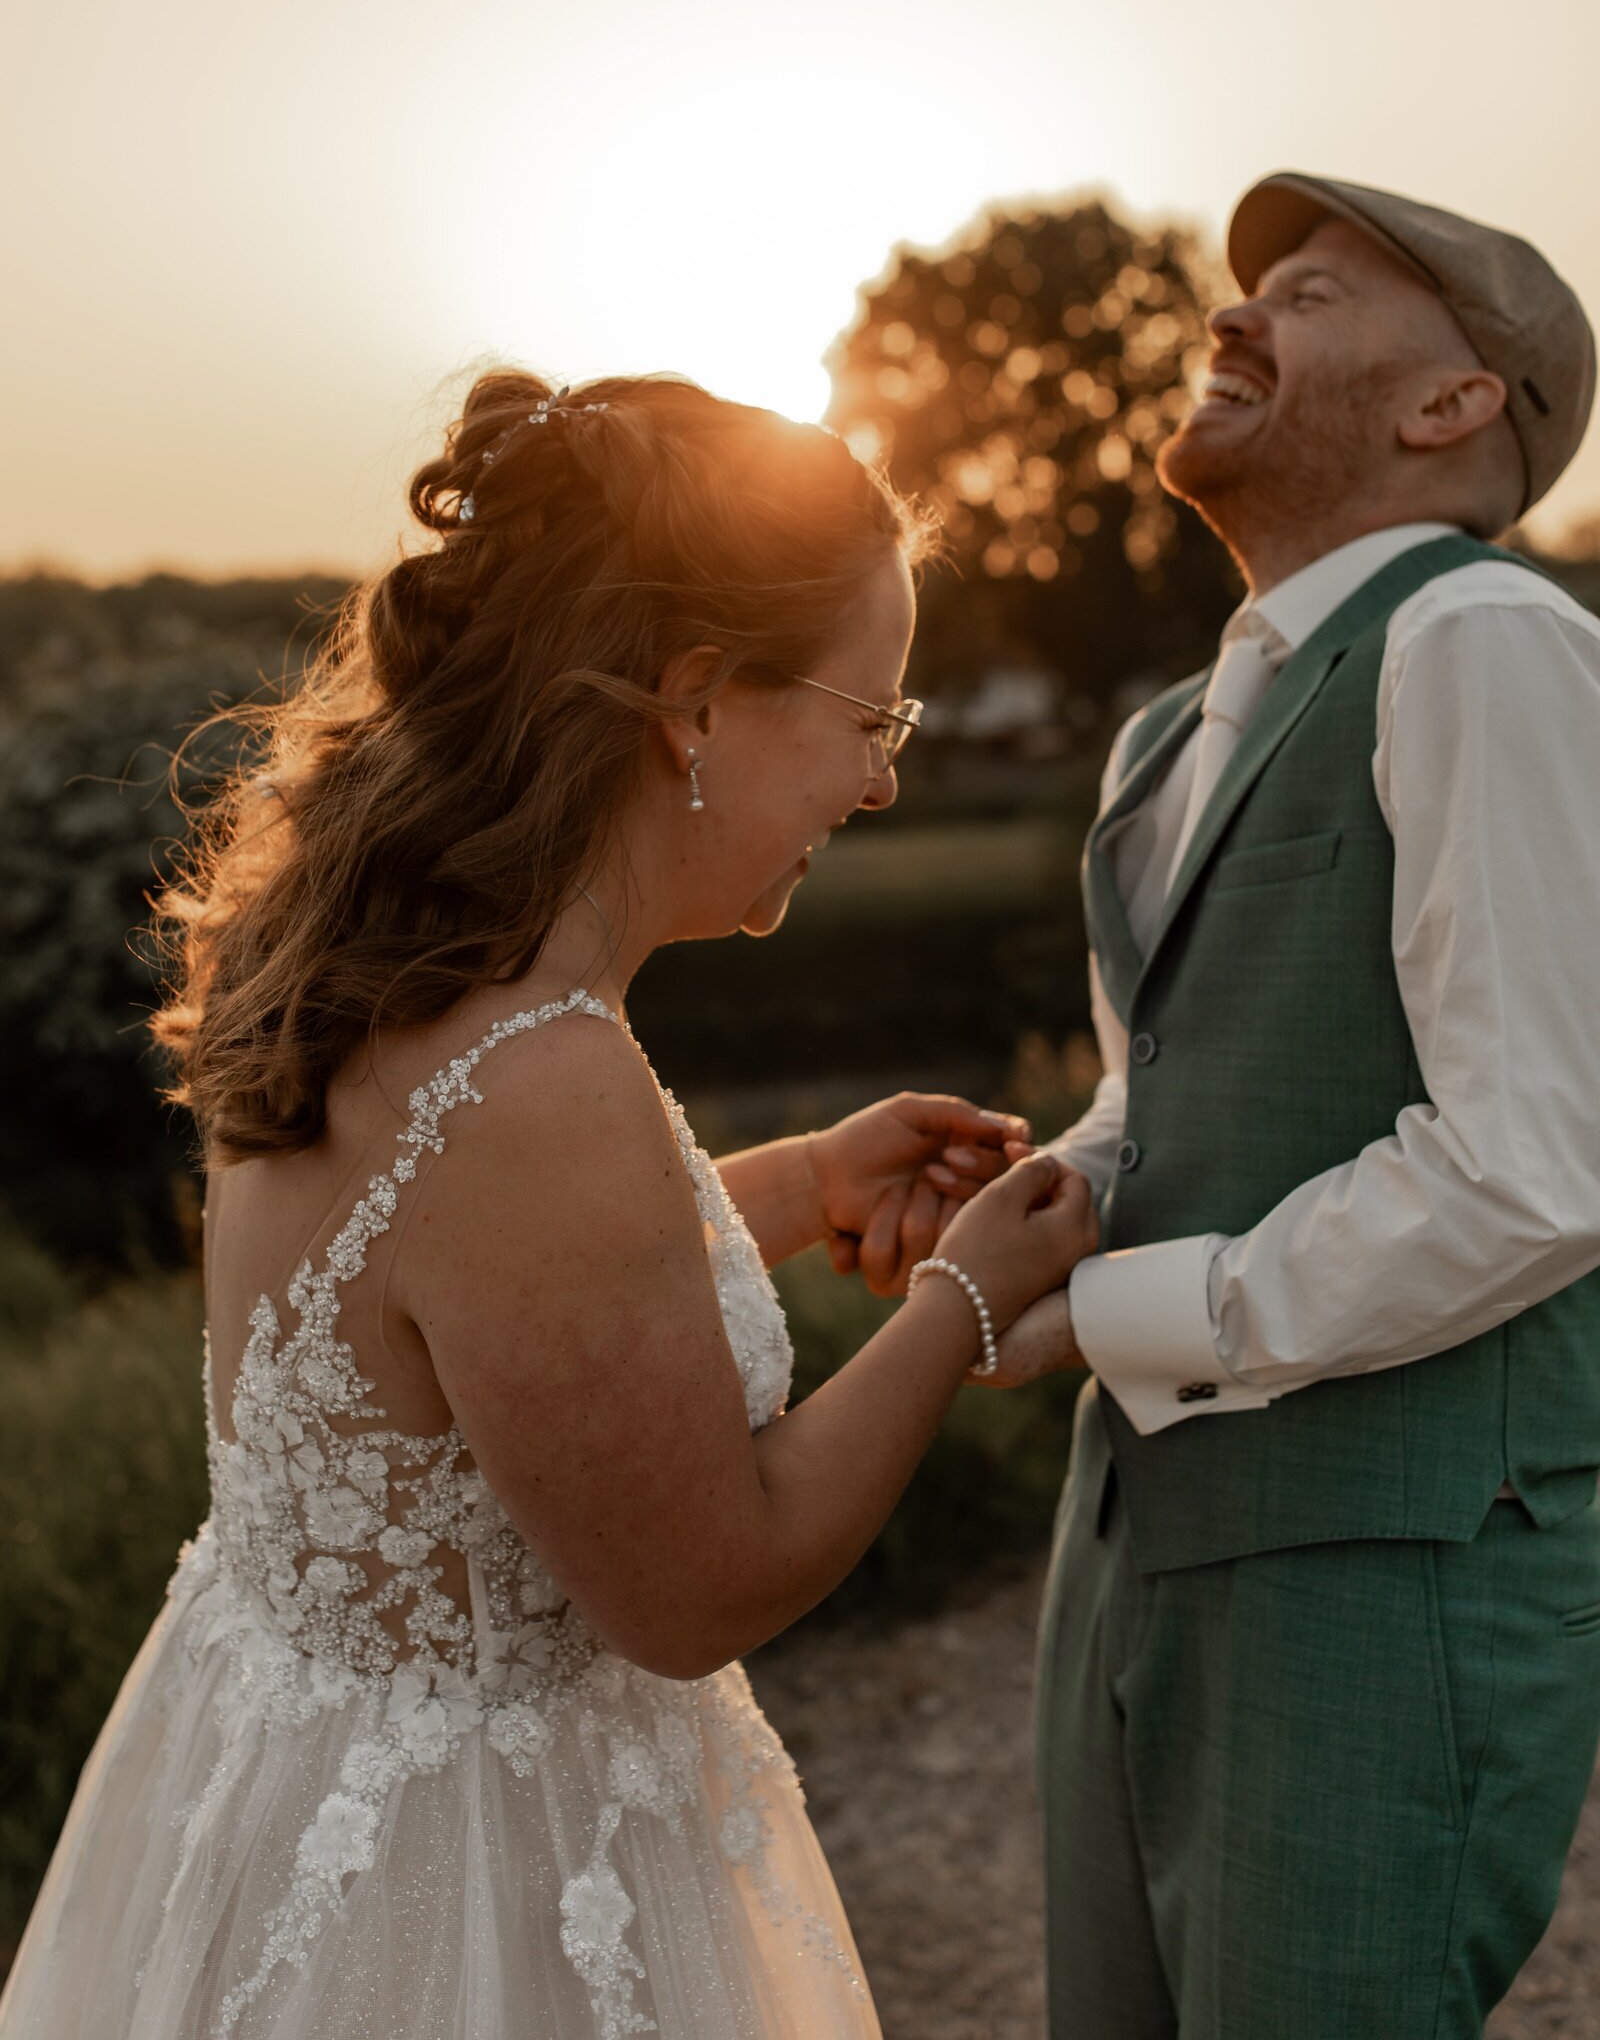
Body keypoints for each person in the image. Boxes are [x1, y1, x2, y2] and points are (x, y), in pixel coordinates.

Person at [0, 370, 1096, 2040]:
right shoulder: (543, 1075)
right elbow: (700, 1586)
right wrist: (963, 1300)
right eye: (872, 719)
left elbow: (467, 1318)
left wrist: (802, 1182)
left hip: (267, 1786)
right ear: (701, 702)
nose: (880, 785)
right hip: (466, 1895)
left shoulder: (385, 964)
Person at [988, 175, 1600, 2037]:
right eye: (1242, 293)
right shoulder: (1167, 731)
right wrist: (1035, 1208)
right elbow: (1161, 1099)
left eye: (1312, 294)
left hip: (1383, 1573)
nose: (1235, 318)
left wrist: (1108, 1316)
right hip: (1132, 1536)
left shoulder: (1484, 640)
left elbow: (1538, 1167)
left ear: (1451, 405)